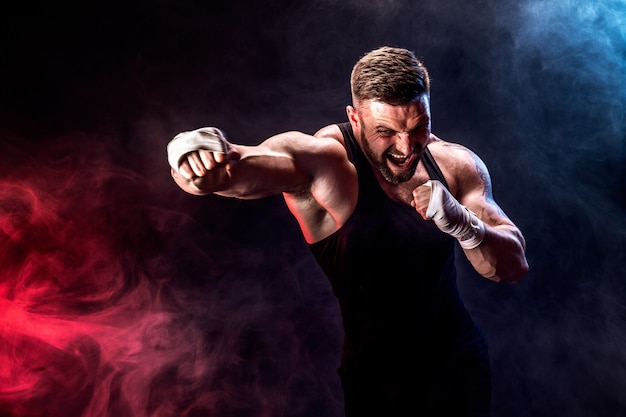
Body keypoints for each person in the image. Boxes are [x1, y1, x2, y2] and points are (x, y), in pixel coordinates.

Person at [166, 46, 528, 416]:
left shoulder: (455, 164)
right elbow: (238, 171)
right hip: (377, 376)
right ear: (354, 118)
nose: (406, 148)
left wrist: (463, 223)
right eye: (385, 132)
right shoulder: (326, 162)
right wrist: (193, 159)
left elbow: (512, 267)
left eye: (418, 128)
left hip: (458, 364)